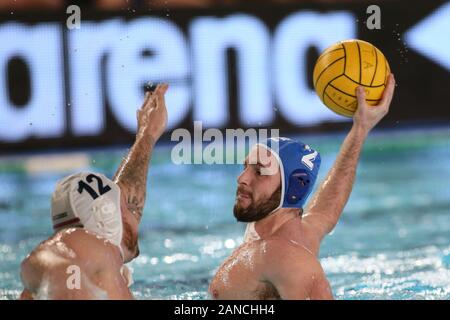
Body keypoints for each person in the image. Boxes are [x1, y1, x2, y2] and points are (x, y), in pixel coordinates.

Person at [209, 74, 396, 299]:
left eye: (259, 172)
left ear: (293, 189)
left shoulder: (287, 259)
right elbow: (326, 208)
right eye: (246, 167)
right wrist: (361, 128)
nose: (242, 178)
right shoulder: (294, 233)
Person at [19, 84, 169, 300]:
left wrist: (147, 135)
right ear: (106, 219)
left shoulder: (99, 266)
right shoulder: (86, 247)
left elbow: (128, 191)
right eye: (125, 205)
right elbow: (50, 258)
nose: (136, 207)